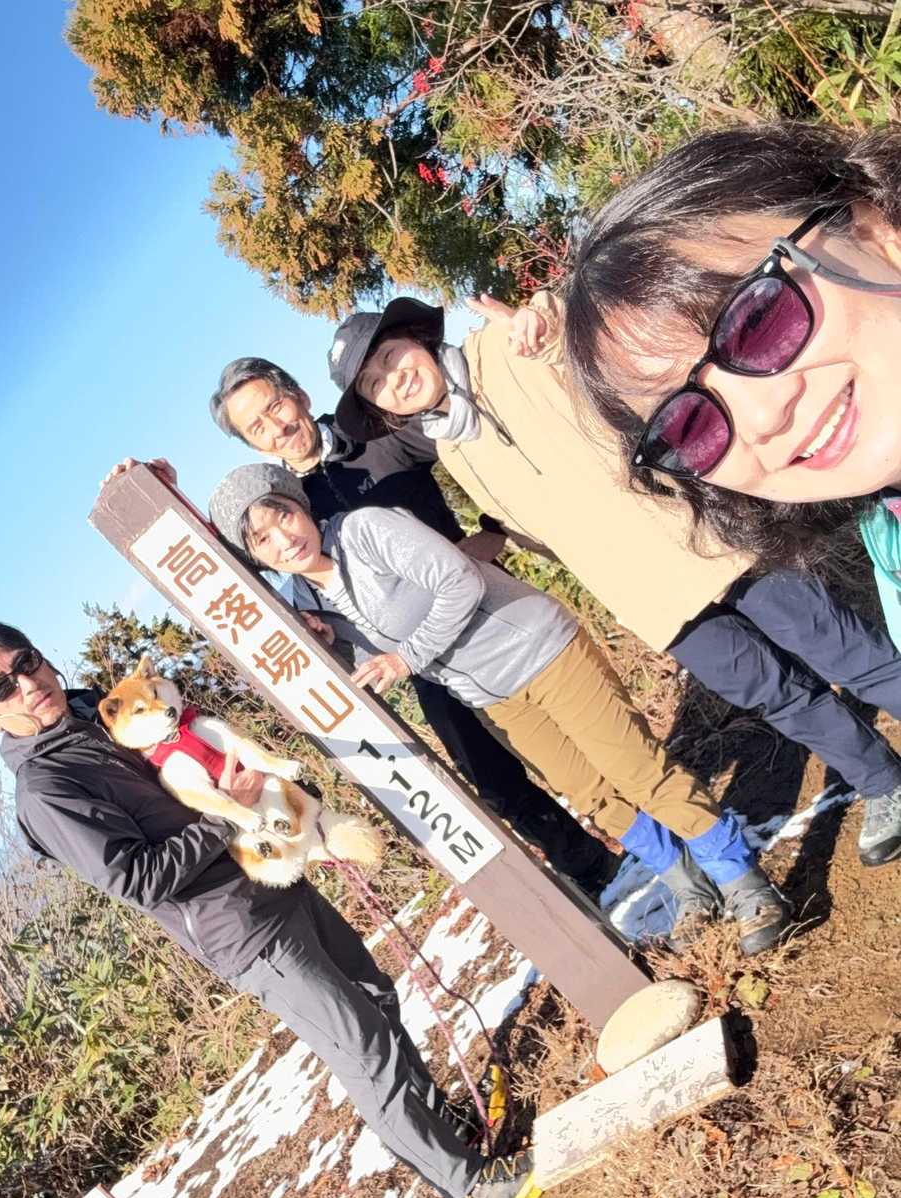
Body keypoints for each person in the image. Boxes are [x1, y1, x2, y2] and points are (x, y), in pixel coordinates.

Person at [0, 621, 542, 1198]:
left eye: (26, 663)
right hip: (241, 929)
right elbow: (136, 880)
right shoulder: (47, 788)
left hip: (270, 873)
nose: (26, 684)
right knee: (360, 1046)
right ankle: (467, 1182)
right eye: (1, 688)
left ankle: (440, 1128)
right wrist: (228, 815)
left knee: (376, 997)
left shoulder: (101, 715)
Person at [327, 287, 901, 870]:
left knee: (842, 647)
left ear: (417, 339)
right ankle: (883, 782)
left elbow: (586, 348)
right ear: (381, 410)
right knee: (776, 694)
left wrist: (548, 321)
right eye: (374, 384)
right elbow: (527, 530)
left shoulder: (506, 347)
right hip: (649, 595)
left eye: (390, 357)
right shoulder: (452, 452)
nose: (393, 379)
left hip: (704, 534)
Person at [208, 465, 793, 958]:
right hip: (493, 697)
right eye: (262, 539)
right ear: (258, 558)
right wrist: (333, 645)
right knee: (591, 794)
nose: (284, 539)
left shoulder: (365, 531)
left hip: (541, 648)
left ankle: (741, 878)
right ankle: (688, 885)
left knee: (637, 771)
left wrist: (407, 658)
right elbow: (372, 666)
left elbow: (459, 580)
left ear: (301, 507)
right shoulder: (310, 600)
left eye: (283, 516)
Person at [561, 121, 901, 867]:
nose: (762, 416)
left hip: (729, 568)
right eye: (688, 424)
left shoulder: (511, 357)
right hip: (661, 597)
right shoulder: (890, 544)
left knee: (854, 655)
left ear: (875, 224)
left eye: (758, 319)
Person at [200, 357, 619, 893]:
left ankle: (646, 823)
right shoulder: (281, 510)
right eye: (256, 426)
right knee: (492, 776)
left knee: (583, 734)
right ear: (253, 446)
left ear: (299, 395)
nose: (276, 427)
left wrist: (494, 529)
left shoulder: (376, 432)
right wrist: (153, 489)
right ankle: (595, 869)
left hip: (492, 620)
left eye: (275, 406)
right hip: (420, 663)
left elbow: (472, 444)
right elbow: (229, 554)